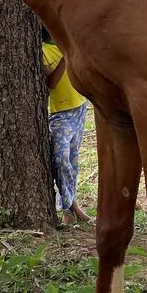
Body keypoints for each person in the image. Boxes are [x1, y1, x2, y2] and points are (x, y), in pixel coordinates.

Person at [41, 28, 91, 224]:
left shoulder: (67, 43)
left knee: (72, 159)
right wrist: (66, 55)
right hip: (59, 114)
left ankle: (70, 208)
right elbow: (51, 82)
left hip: (79, 107)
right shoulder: (41, 50)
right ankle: (70, 206)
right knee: (61, 160)